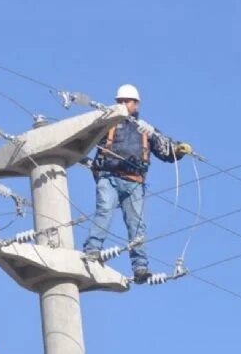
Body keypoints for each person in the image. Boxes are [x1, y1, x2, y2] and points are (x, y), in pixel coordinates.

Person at [82, 84, 192, 284]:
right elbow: (85, 140)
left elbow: (165, 149)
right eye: (120, 101)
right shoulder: (107, 124)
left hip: (134, 182)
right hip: (109, 177)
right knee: (104, 211)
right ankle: (92, 251)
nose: (123, 104)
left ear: (136, 104)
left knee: (136, 225)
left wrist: (179, 150)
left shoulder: (145, 129)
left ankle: (140, 267)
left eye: (127, 101)